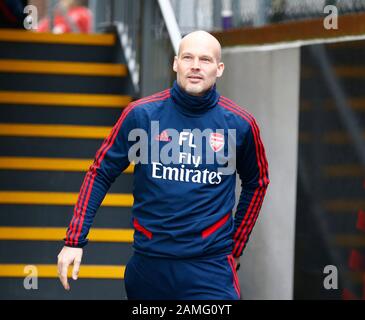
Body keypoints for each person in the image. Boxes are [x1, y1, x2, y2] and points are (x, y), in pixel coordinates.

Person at [57, 30, 269, 300]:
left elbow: (257, 182)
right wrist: (74, 240)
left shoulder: (239, 124)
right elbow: (100, 172)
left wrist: (236, 244)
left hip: (210, 269)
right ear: (175, 63)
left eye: (205, 60)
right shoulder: (141, 116)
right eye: (187, 57)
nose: (195, 66)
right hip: (150, 267)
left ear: (219, 68)